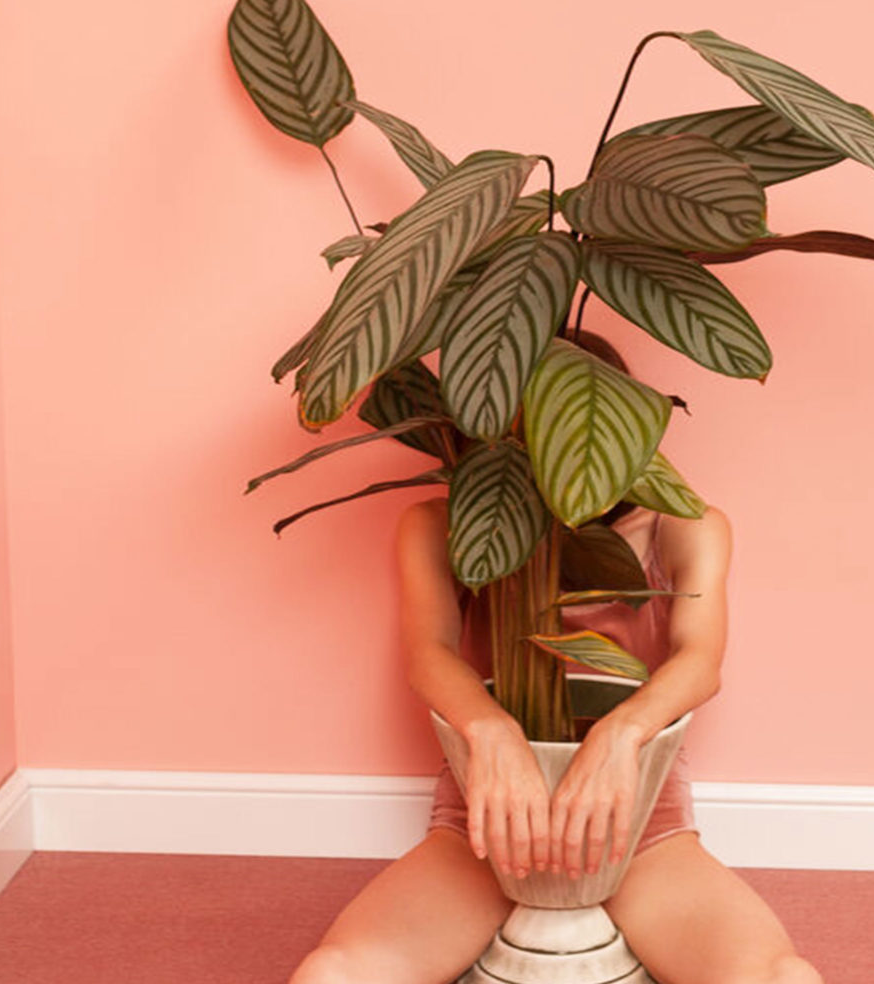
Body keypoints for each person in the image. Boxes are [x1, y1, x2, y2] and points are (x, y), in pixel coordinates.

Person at [290, 336, 823, 984]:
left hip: (635, 822)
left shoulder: (684, 524)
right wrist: (492, 734)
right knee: (334, 975)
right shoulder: (438, 525)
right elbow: (428, 654)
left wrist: (620, 736)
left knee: (780, 979)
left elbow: (700, 658)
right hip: (485, 823)